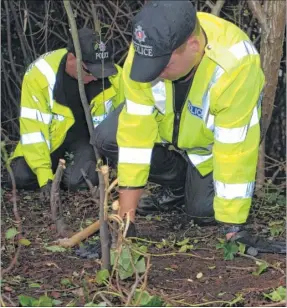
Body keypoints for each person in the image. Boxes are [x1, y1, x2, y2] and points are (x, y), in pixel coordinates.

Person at [92, 1, 285, 254]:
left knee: (204, 213)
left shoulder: (235, 65)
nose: (155, 73)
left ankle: (193, 183)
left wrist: (234, 228)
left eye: (164, 66)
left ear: (193, 46)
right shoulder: (148, 48)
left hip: (206, 150)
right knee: (108, 137)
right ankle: (176, 183)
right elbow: (134, 134)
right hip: (165, 136)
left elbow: (234, 148)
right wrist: (126, 223)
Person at [9, 27, 124, 200]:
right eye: (89, 71)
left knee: (79, 181)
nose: (95, 78)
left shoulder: (114, 76)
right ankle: (56, 172)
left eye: (100, 72)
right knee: (21, 176)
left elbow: (126, 123)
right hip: (51, 140)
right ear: (72, 58)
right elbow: (33, 131)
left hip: (86, 141)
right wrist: (45, 178)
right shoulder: (40, 75)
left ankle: (69, 172)